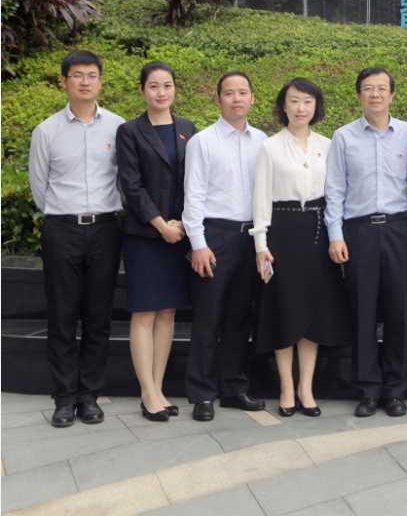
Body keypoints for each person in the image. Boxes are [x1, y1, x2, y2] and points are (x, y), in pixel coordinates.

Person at [325, 66, 407, 419]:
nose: (375, 94)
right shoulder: (343, 136)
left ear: (392, 94)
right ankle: (368, 389)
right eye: (368, 88)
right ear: (358, 95)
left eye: (382, 88)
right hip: (358, 232)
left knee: (399, 311)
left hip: (399, 229)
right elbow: (335, 189)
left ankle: (396, 389)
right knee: (363, 312)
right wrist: (335, 234)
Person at [29, 50, 125, 429]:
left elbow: (124, 180)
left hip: (105, 229)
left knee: (99, 317)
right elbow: (40, 188)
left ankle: (89, 396)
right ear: (64, 81)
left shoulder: (117, 127)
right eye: (77, 75)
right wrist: (63, 216)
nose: (85, 81)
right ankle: (65, 398)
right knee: (62, 316)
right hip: (62, 230)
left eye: (92, 75)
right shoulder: (46, 131)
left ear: (100, 80)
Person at [252, 78, 349, 417]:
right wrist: (260, 244)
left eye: (307, 101)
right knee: (284, 308)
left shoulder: (328, 144)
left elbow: (335, 193)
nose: (300, 108)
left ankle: (306, 388)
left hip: (318, 233)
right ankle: (285, 388)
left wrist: (337, 234)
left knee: (314, 311)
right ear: (283, 106)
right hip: (282, 232)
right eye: (294, 101)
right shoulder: (270, 147)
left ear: (316, 106)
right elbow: (261, 198)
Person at [115, 61, 198, 422]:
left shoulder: (187, 129)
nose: (161, 92)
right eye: (153, 86)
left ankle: (159, 388)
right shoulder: (129, 131)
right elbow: (131, 186)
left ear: (175, 89)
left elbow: (194, 180)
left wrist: (183, 224)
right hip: (146, 236)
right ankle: (147, 393)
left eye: (167, 85)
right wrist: (161, 224)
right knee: (145, 312)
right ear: (142, 90)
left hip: (179, 233)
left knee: (168, 312)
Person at [183, 71, 268, 421]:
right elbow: (193, 196)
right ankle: (203, 394)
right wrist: (198, 244)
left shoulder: (262, 140)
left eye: (243, 92)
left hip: (251, 238)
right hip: (215, 237)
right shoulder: (202, 141)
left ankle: (234, 388)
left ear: (252, 98)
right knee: (208, 317)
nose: (236, 99)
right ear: (218, 99)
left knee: (239, 316)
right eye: (229, 93)